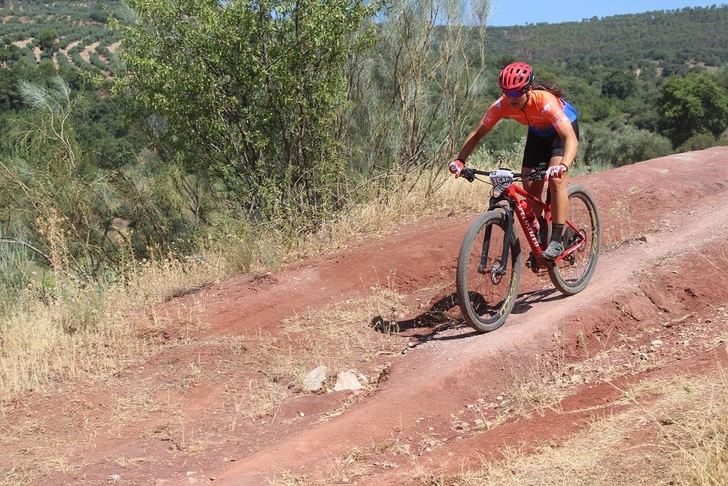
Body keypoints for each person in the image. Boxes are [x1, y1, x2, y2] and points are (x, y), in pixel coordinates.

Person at [448, 62, 579, 260]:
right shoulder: (502, 105)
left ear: (528, 89)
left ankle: (557, 240)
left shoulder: (546, 103)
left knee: (555, 181)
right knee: (530, 189)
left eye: (516, 94)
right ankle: (543, 230)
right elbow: (477, 134)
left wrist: (563, 165)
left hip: (560, 134)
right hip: (537, 134)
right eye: (507, 93)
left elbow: (570, 138)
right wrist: (460, 160)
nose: (511, 99)